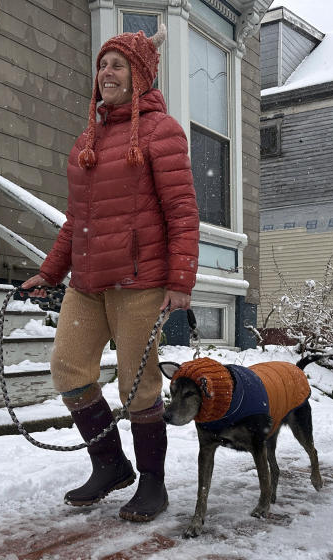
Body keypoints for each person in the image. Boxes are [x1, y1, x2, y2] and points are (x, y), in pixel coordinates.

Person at [20, 24, 199, 522]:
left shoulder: (163, 132)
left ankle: (153, 485)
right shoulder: (89, 137)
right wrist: (51, 272)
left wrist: (180, 280)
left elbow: (182, 208)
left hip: (140, 279)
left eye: (117, 65)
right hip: (88, 281)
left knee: (136, 386)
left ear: (139, 75)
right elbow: (77, 218)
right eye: (102, 65)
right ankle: (110, 465)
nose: (106, 73)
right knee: (69, 366)